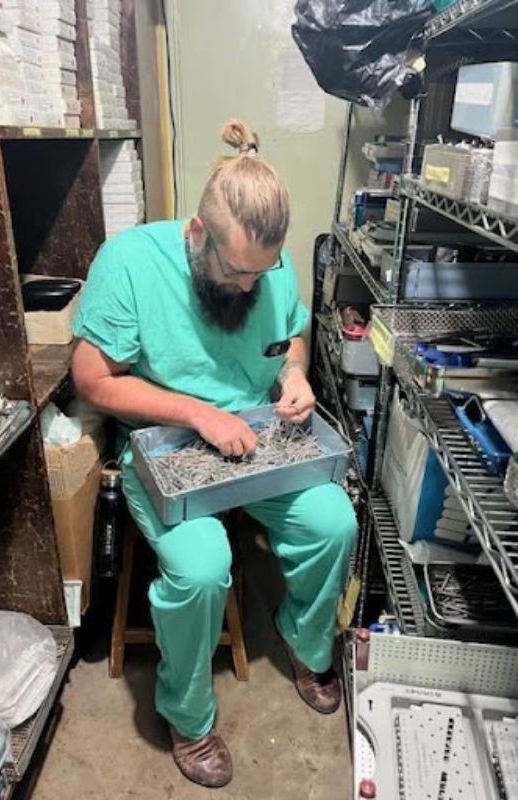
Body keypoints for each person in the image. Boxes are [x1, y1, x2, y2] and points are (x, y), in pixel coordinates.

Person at [71, 119, 357, 789]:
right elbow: (92, 378)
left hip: (257, 438)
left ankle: (304, 638)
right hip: (166, 443)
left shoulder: (264, 264)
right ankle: (189, 714)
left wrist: (293, 378)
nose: (249, 287)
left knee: (333, 522)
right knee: (201, 567)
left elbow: (290, 340)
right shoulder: (131, 262)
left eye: (263, 272)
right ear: (197, 236)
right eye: (236, 272)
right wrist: (199, 412)